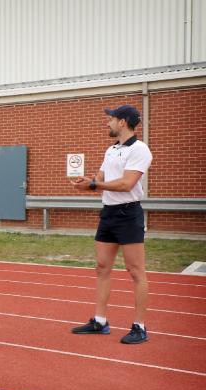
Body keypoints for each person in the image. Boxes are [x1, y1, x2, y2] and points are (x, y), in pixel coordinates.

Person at [70, 105, 153, 344]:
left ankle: (139, 326)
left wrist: (95, 186)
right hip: (108, 213)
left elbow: (127, 184)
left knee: (135, 271)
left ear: (123, 122)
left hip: (129, 214)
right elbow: (101, 178)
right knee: (101, 267)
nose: (107, 123)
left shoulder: (140, 149)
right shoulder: (111, 150)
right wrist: (87, 183)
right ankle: (100, 321)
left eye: (111, 119)